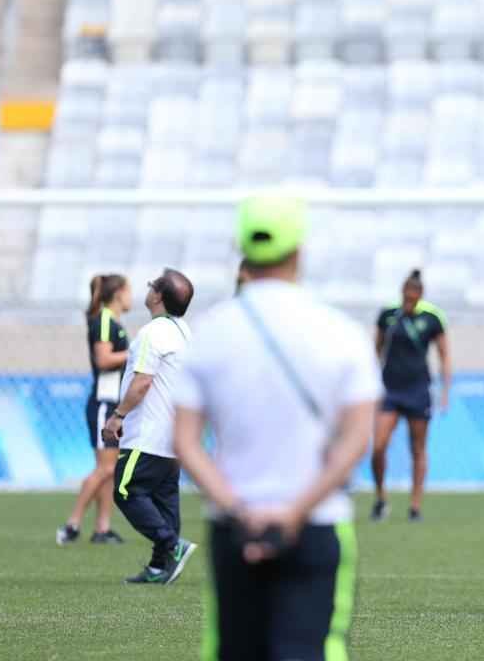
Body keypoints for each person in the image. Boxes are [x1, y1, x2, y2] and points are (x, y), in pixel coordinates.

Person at [174, 194, 382, 661]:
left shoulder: (210, 332)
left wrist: (238, 510)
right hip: (315, 521)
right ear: (299, 250)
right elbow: (353, 443)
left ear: (242, 248)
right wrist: (294, 512)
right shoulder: (341, 333)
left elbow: (186, 442)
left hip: (233, 528)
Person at [102, 267, 197, 584]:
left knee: (127, 490)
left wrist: (118, 415)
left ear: (158, 295)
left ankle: (172, 546)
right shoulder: (183, 331)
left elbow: (142, 382)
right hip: (173, 435)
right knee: (164, 498)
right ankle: (159, 566)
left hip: (148, 434)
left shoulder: (153, 333)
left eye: (152, 285)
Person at [57, 274, 132, 546]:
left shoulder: (114, 323)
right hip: (104, 403)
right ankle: (71, 524)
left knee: (110, 470)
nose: (131, 297)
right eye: (129, 291)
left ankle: (102, 529)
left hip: (113, 403)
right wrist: (135, 352)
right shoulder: (103, 321)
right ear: (119, 294)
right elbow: (103, 359)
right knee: (104, 468)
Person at [370, 270, 451, 523]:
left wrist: (445, 390)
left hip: (418, 390)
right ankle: (382, 498)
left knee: (417, 448)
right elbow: (376, 350)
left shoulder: (432, 318)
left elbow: (444, 355)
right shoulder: (389, 317)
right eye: (406, 294)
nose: (409, 298)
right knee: (379, 445)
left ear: (420, 295)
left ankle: (415, 506)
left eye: (413, 295)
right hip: (390, 389)